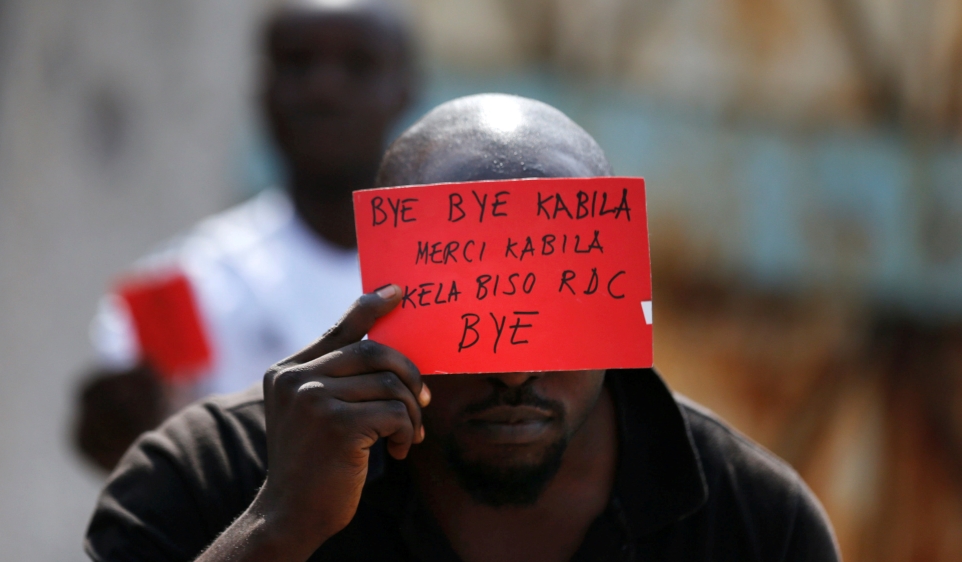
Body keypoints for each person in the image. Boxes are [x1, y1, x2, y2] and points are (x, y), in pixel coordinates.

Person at [84, 94, 840, 561]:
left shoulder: (755, 524)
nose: (513, 371)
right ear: (377, 303)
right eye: (465, 316)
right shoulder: (204, 478)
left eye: (552, 306)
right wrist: (279, 527)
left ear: (619, 295)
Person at [75, 0, 417, 471]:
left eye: (359, 65)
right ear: (260, 87)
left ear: (406, 89)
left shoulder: (449, 277)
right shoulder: (187, 281)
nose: (325, 89)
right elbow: (132, 458)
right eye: (297, 62)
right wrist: (124, 429)